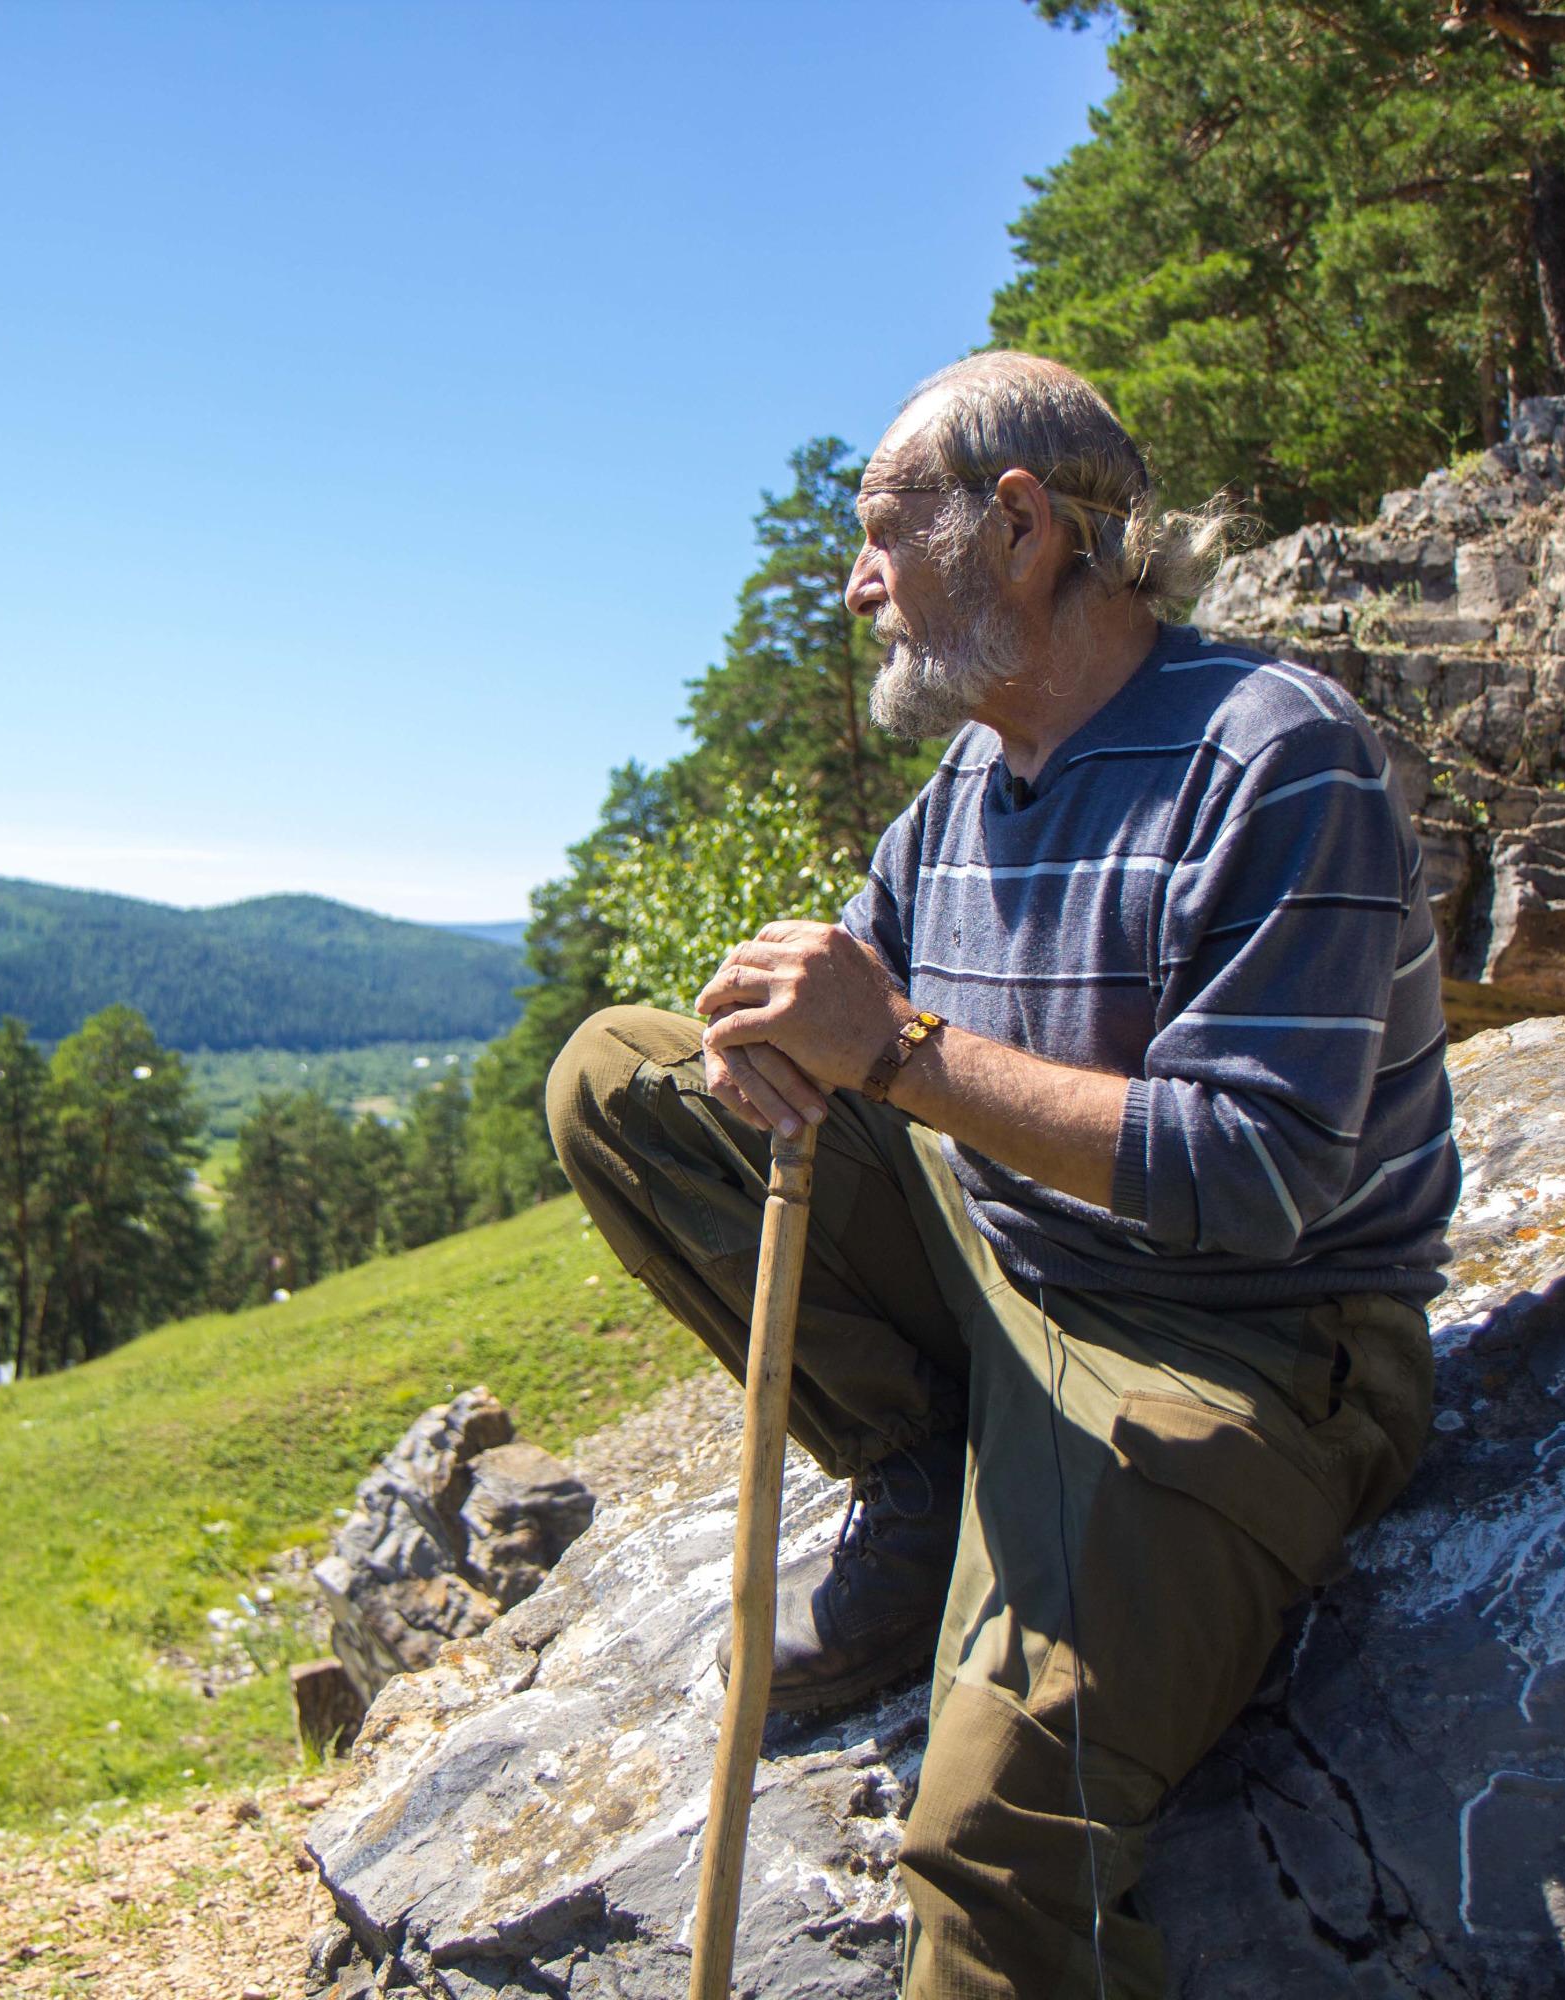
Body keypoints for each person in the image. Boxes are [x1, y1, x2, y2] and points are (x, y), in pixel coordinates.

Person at [546, 352, 1458, 1998]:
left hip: (1237, 1340)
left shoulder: (1274, 753)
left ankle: (1010, 1515)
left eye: (888, 532)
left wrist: (890, 1052)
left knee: (987, 1842)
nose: (857, 583)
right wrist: (778, 1041)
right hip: (1005, 1260)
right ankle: (928, 1456)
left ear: (1022, 528)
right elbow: (867, 1002)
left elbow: (1253, 1172)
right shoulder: (964, 786)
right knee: (615, 1078)